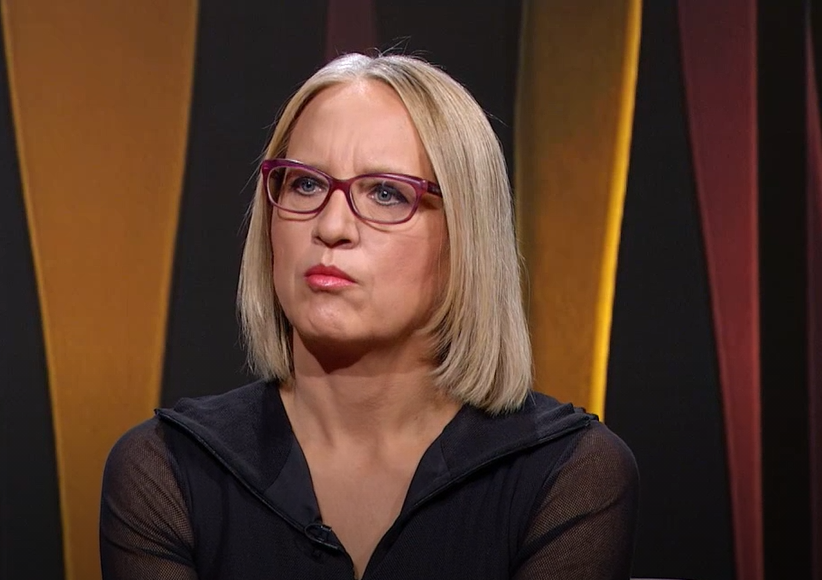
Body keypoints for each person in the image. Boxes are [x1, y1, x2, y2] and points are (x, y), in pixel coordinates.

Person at [100, 53, 639, 580]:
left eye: (385, 193)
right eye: (306, 184)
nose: (331, 226)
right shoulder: (166, 469)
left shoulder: (569, 473)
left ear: (466, 236)